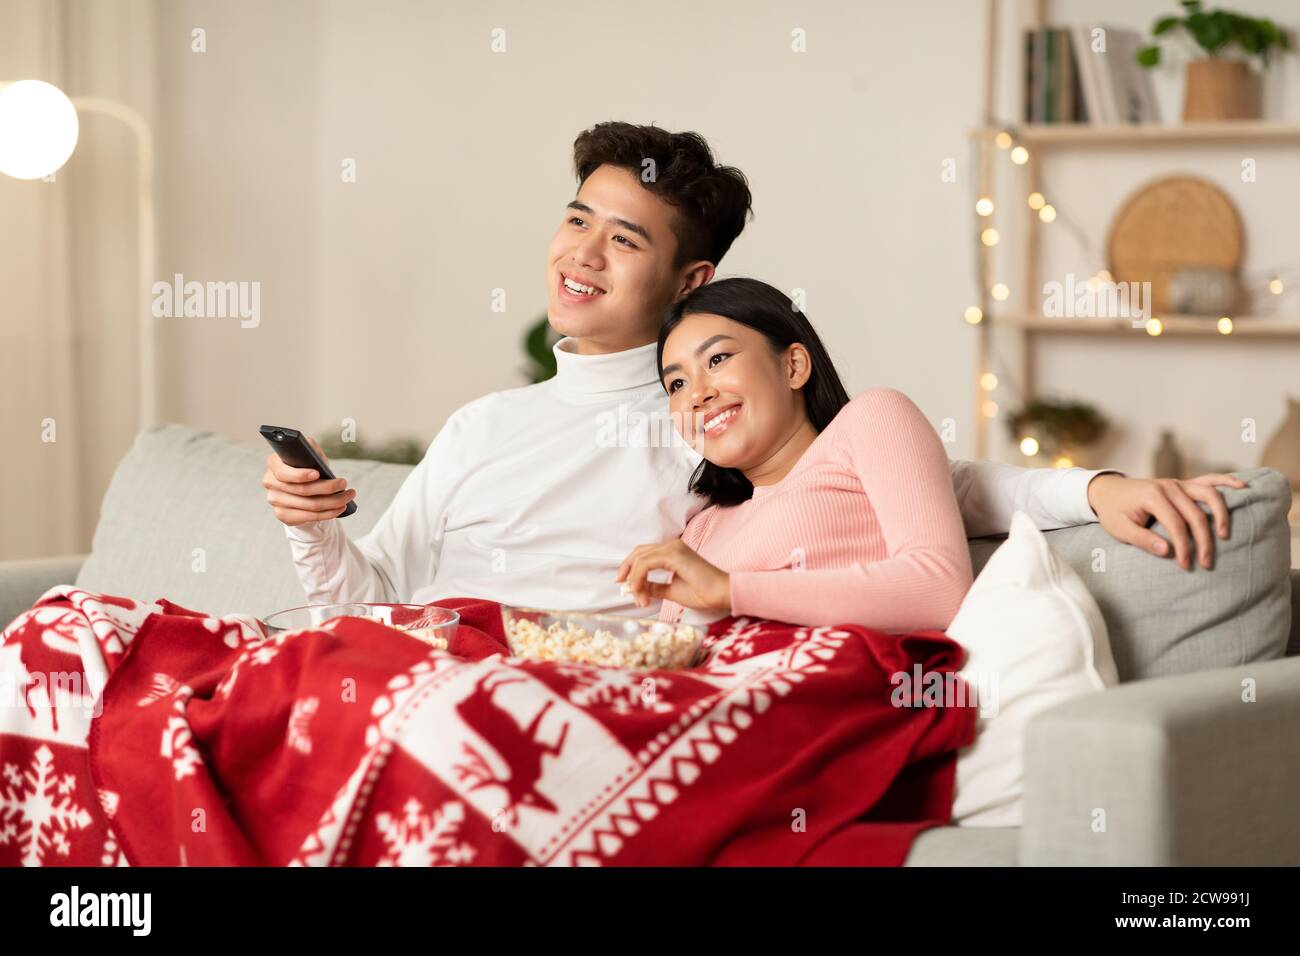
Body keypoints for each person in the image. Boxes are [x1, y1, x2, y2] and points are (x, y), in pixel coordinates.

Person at [262, 121, 1244, 615]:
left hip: (529, 690)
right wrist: (313, 529)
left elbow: (912, 483)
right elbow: (359, 601)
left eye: (624, 239)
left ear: (692, 278)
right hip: (392, 655)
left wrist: (1098, 486)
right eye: (575, 222)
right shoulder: (482, 425)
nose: (583, 255)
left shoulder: (708, 420)